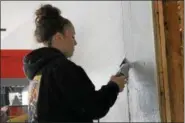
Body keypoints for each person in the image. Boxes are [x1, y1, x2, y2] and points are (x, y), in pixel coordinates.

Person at [23, 4, 128, 122]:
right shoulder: (62, 69)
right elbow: (94, 107)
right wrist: (114, 86)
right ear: (58, 37)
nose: (75, 42)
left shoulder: (37, 77)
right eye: (72, 36)